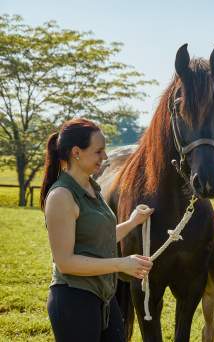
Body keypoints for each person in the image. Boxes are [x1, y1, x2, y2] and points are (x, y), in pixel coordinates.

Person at [41, 118, 155, 342]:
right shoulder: (61, 196)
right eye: (98, 151)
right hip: (74, 300)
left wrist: (132, 222)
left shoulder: (93, 189)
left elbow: (101, 238)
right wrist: (121, 264)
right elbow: (65, 262)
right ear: (76, 152)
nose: (105, 157)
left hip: (104, 297)